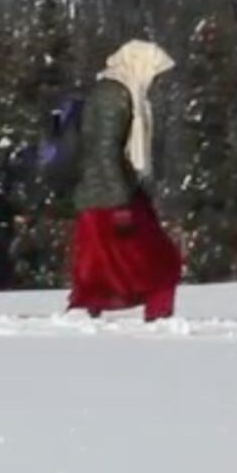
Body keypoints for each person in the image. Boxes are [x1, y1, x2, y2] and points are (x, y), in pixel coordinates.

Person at [68, 39, 183, 322]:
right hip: (109, 197)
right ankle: (156, 317)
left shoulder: (121, 92)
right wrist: (121, 202)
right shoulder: (115, 95)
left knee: (102, 267)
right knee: (158, 261)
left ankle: (87, 314)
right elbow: (104, 150)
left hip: (105, 195)